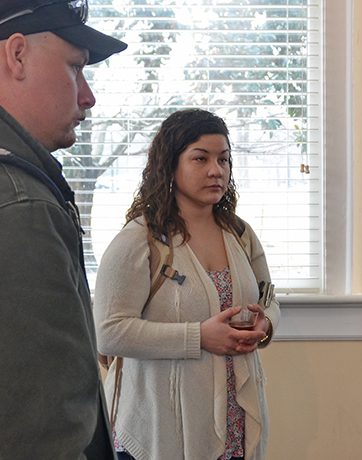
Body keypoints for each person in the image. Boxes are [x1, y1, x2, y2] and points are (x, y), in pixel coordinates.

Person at [93, 108, 281, 460]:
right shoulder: (138, 240)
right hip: (159, 432)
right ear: (170, 165)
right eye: (200, 158)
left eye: (223, 159)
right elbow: (109, 333)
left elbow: (269, 299)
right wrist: (199, 337)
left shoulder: (240, 234)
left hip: (236, 425)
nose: (216, 170)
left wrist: (265, 324)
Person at [0, 1, 127, 458]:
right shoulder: (22, 204)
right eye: (75, 68)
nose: (87, 96)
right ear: (17, 55)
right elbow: (44, 435)